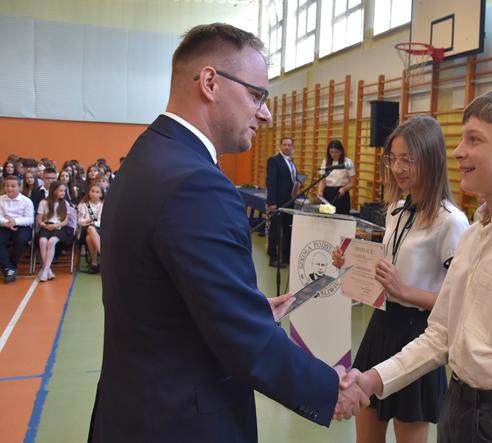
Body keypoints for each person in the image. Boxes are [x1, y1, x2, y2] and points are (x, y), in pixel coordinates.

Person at [87, 23, 368, 443]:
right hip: (182, 423)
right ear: (210, 82)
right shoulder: (198, 184)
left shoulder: (148, 155)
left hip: (133, 411)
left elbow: (161, 291)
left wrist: (241, 304)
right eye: (256, 96)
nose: (265, 114)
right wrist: (330, 391)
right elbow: (244, 341)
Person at [340, 88, 492, 443]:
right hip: (456, 407)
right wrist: (372, 379)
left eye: (474, 139)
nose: (457, 151)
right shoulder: (473, 236)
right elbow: (441, 334)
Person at [332, 116, 469, 443]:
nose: (398, 168)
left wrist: (403, 290)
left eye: (408, 159)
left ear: (431, 159)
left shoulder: (451, 222)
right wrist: (350, 262)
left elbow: (459, 302)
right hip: (381, 326)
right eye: (393, 158)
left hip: (419, 335)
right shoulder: (395, 209)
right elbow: (389, 269)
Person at [266, 136, 300, 267]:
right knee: (275, 230)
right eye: (284, 144)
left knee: (288, 229)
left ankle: (286, 257)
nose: (287, 147)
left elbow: (291, 180)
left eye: (289, 145)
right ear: (280, 146)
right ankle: (273, 258)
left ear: (293, 147)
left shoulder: (291, 162)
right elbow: (271, 182)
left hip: (290, 201)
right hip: (278, 202)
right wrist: (272, 202)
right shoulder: (274, 161)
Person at [0, 176, 34, 283]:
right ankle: (9, 268)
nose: (9, 188)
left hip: (21, 226)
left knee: (20, 239)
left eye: (13, 186)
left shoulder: (26, 201)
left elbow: (30, 219)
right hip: (4, 225)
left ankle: (10, 267)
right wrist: (5, 222)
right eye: (7, 186)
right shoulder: (1, 199)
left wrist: (15, 221)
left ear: (19, 187)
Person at [35, 180, 69, 282]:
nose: (63, 193)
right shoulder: (43, 202)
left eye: (64, 191)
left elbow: (65, 222)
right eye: (61, 190)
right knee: (42, 241)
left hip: (59, 227)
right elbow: (39, 220)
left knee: (51, 242)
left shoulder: (65, 203)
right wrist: (44, 225)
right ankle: (48, 270)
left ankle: (45, 270)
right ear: (54, 191)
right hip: (46, 226)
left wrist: (55, 226)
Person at [317, 139, 357, 215]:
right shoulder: (325, 161)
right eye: (331, 152)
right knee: (325, 218)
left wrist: (344, 189)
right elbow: (323, 180)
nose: (333, 155)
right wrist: (320, 191)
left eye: (336, 152)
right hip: (327, 193)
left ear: (341, 152)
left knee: (341, 217)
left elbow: (353, 182)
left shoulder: (347, 162)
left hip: (341, 193)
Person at [77, 183, 104, 274]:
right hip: (85, 229)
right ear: (88, 192)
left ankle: (94, 263)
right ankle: (104, 257)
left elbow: (103, 221)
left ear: (101, 194)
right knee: (90, 229)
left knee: (89, 238)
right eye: (92, 191)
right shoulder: (83, 205)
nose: (94, 194)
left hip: (100, 230)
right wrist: (86, 221)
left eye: (97, 192)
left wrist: (94, 223)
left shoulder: (103, 205)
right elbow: (79, 221)